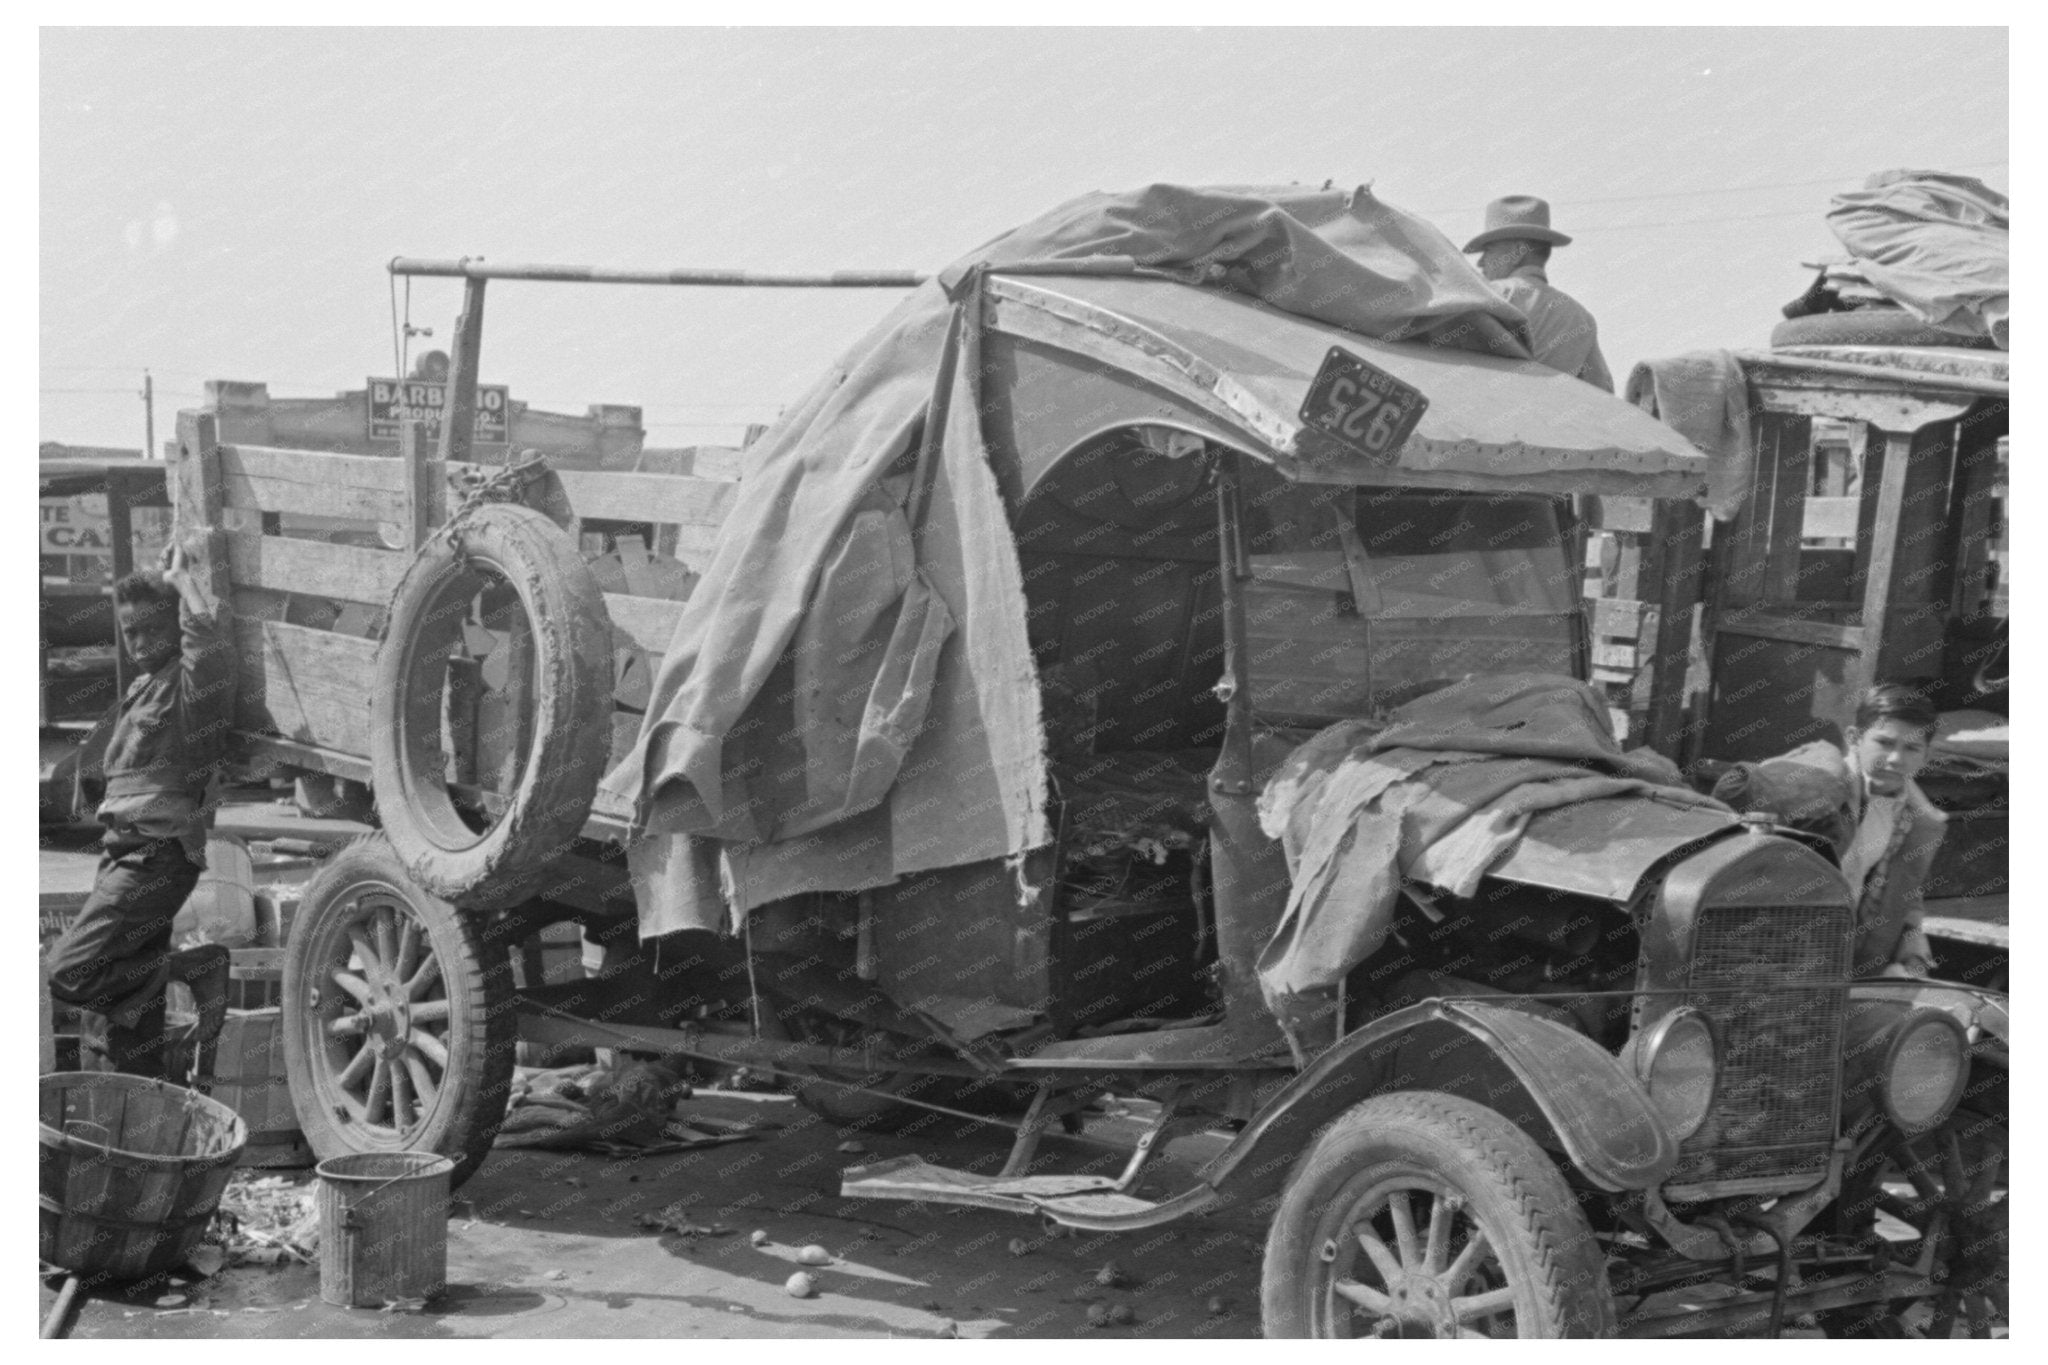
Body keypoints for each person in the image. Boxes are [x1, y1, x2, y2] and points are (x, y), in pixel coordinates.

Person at [47, 537, 237, 1078]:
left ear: (175, 627)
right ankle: (145, 1117)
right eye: (130, 631)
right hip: (123, 855)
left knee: (69, 970)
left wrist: (181, 582)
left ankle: (193, 968)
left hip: (157, 857)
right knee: (133, 1025)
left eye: (153, 628)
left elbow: (212, 646)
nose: (139, 641)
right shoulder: (142, 689)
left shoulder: (188, 687)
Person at [1711, 684, 1945, 978]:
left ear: (1927, 755)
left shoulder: (1912, 815)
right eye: (1884, 743)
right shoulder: (1818, 791)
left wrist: (1914, 950)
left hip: (1842, 955)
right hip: (1773, 949)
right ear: (1854, 738)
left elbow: (1905, 886)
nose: (1896, 759)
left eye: (1911, 748)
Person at [1464, 194, 1614, 392]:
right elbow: (1602, 391)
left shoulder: (1491, 296)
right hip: (1546, 420)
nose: (1481, 262)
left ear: (1517, 252)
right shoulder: (1581, 318)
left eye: (1489, 251)